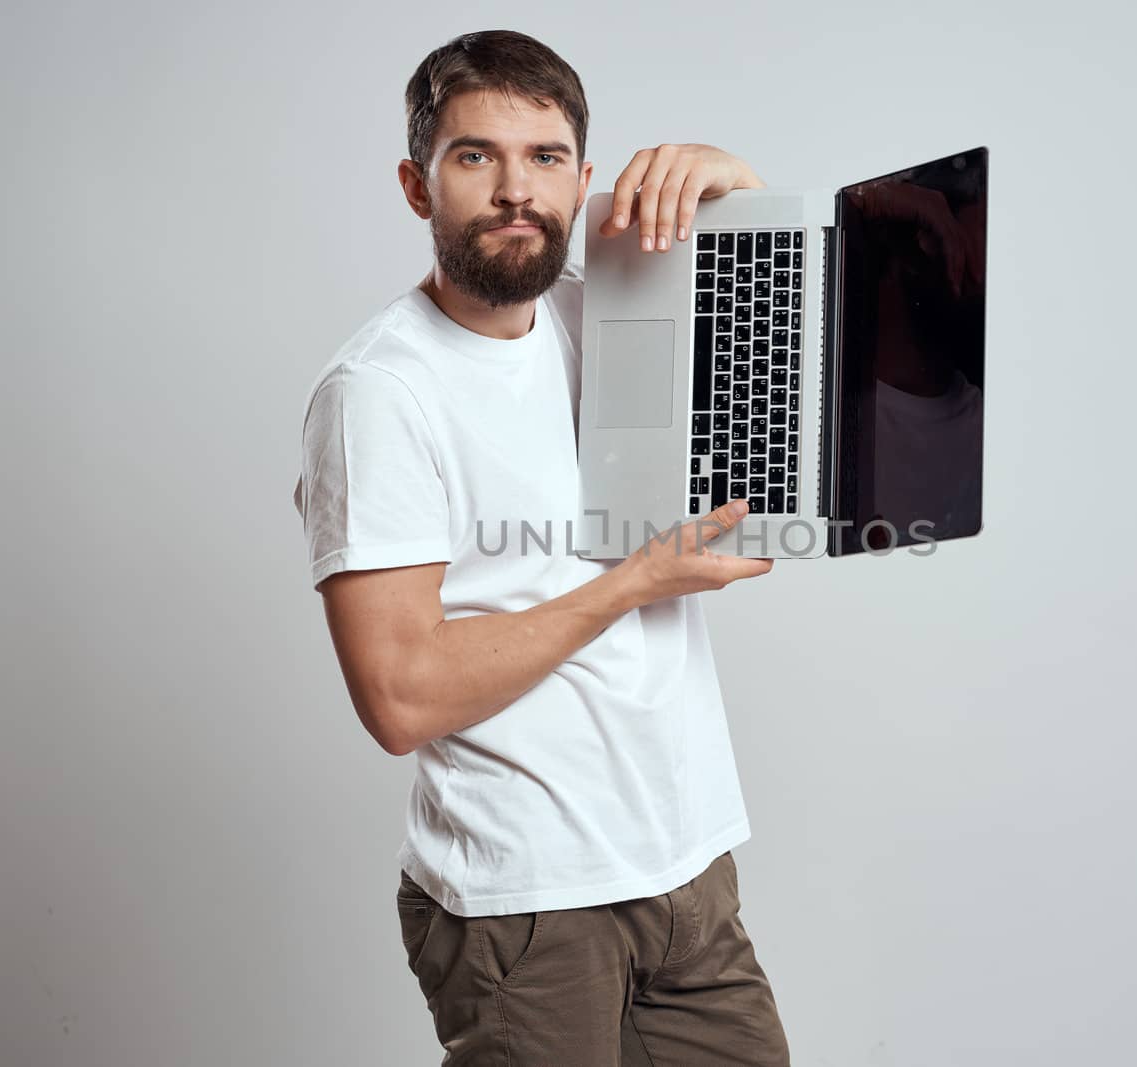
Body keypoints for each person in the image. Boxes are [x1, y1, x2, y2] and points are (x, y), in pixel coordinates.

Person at [290, 29, 791, 1065]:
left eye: (546, 157)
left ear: (582, 178)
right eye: (476, 156)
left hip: (685, 870)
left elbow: (796, 360)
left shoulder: (601, 317)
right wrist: (631, 583)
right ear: (416, 185)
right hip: (527, 904)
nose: (517, 190)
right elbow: (400, 695)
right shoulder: (378, 394)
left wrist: (737, 185)